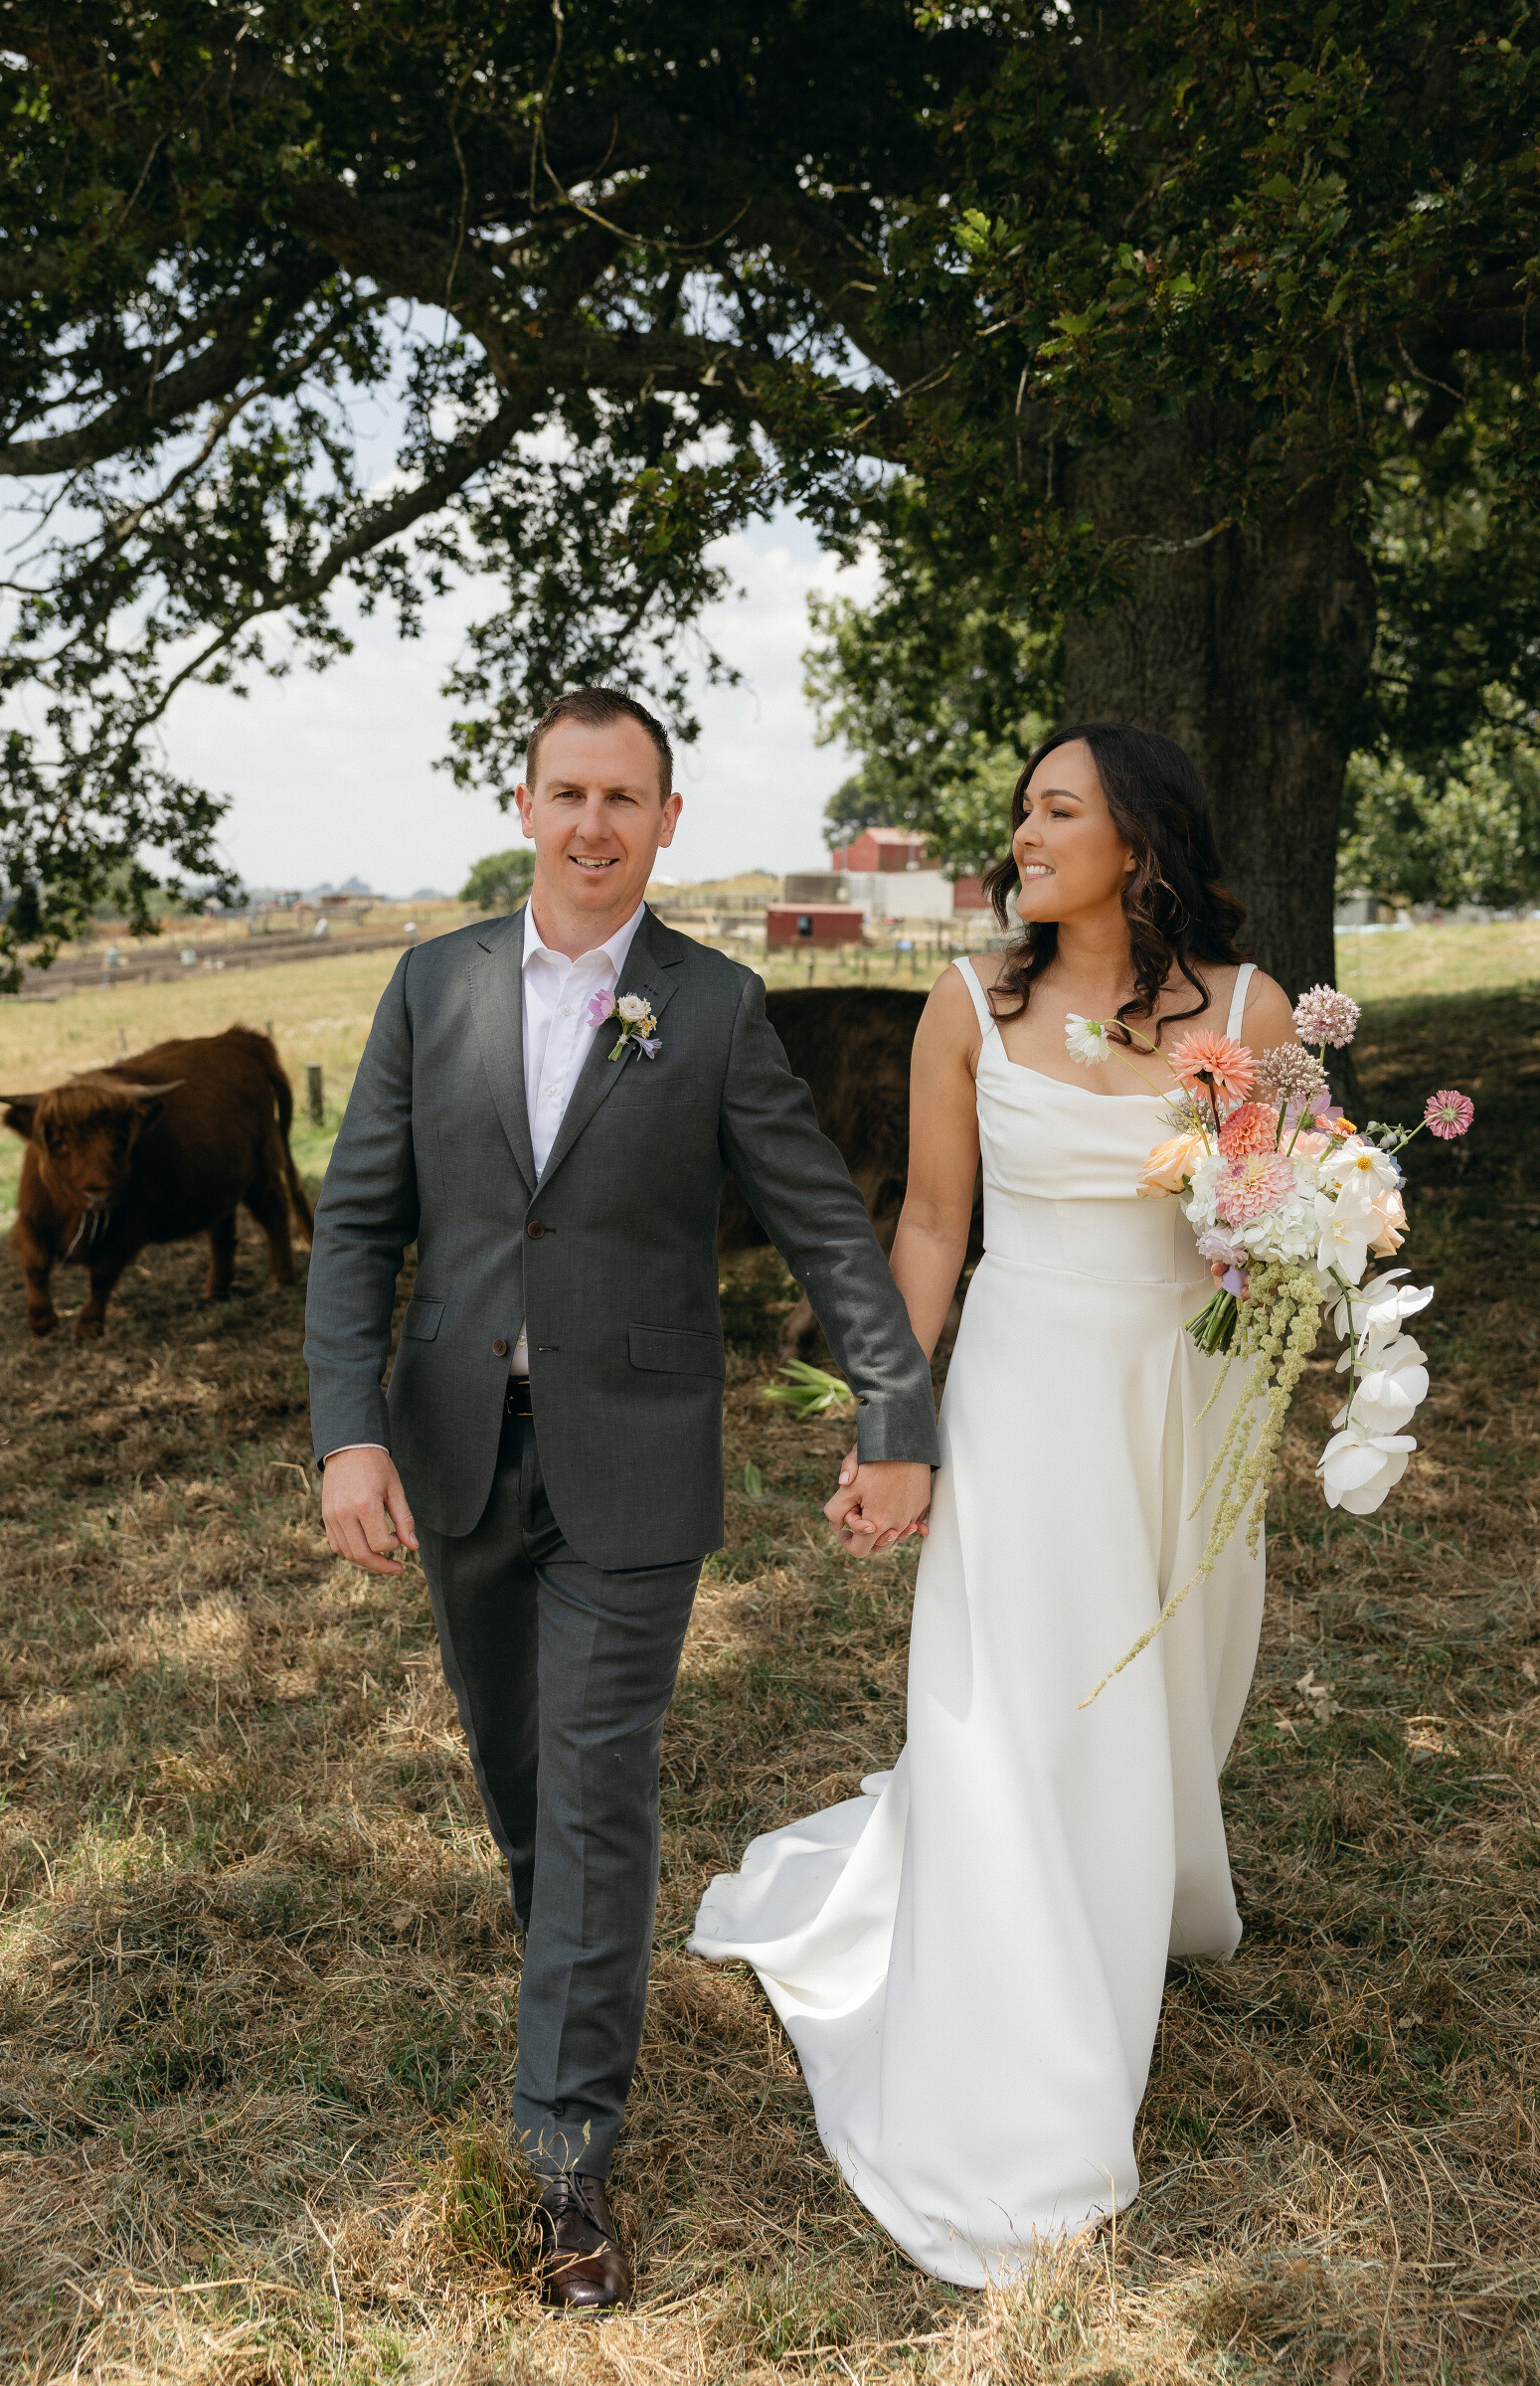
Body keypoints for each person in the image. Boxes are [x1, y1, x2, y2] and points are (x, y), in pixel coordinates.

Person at [303, 687, 937, 2309]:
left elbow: (822, 1223)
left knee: (597, 1790)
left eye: (625, 798)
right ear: (524, 808)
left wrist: (893, 1411)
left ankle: (565, 2155)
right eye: (568, 793)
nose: (594, 824)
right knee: (523, 1784)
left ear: (666, 821)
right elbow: (359, 1222)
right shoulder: (431, 985)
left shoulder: (712, 1005)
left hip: (638, 1456)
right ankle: (574, 1974)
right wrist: (347, 1434)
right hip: (454, 1446)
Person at [691, 723, 1293, 2286]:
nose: (1022, 833)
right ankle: (1024, 2038)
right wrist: (891, 1422)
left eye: (1056, 810)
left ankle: (1136, 1888)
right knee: (1022, 1700)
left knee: (1169, 1677)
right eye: (1021, 810)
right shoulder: (967, 1006)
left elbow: (1278, 1215)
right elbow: (930, 1226)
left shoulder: (1247, 1012)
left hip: (1184, 1399)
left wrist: (1311, 1237)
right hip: (1025, 1395)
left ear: (1138, 840)